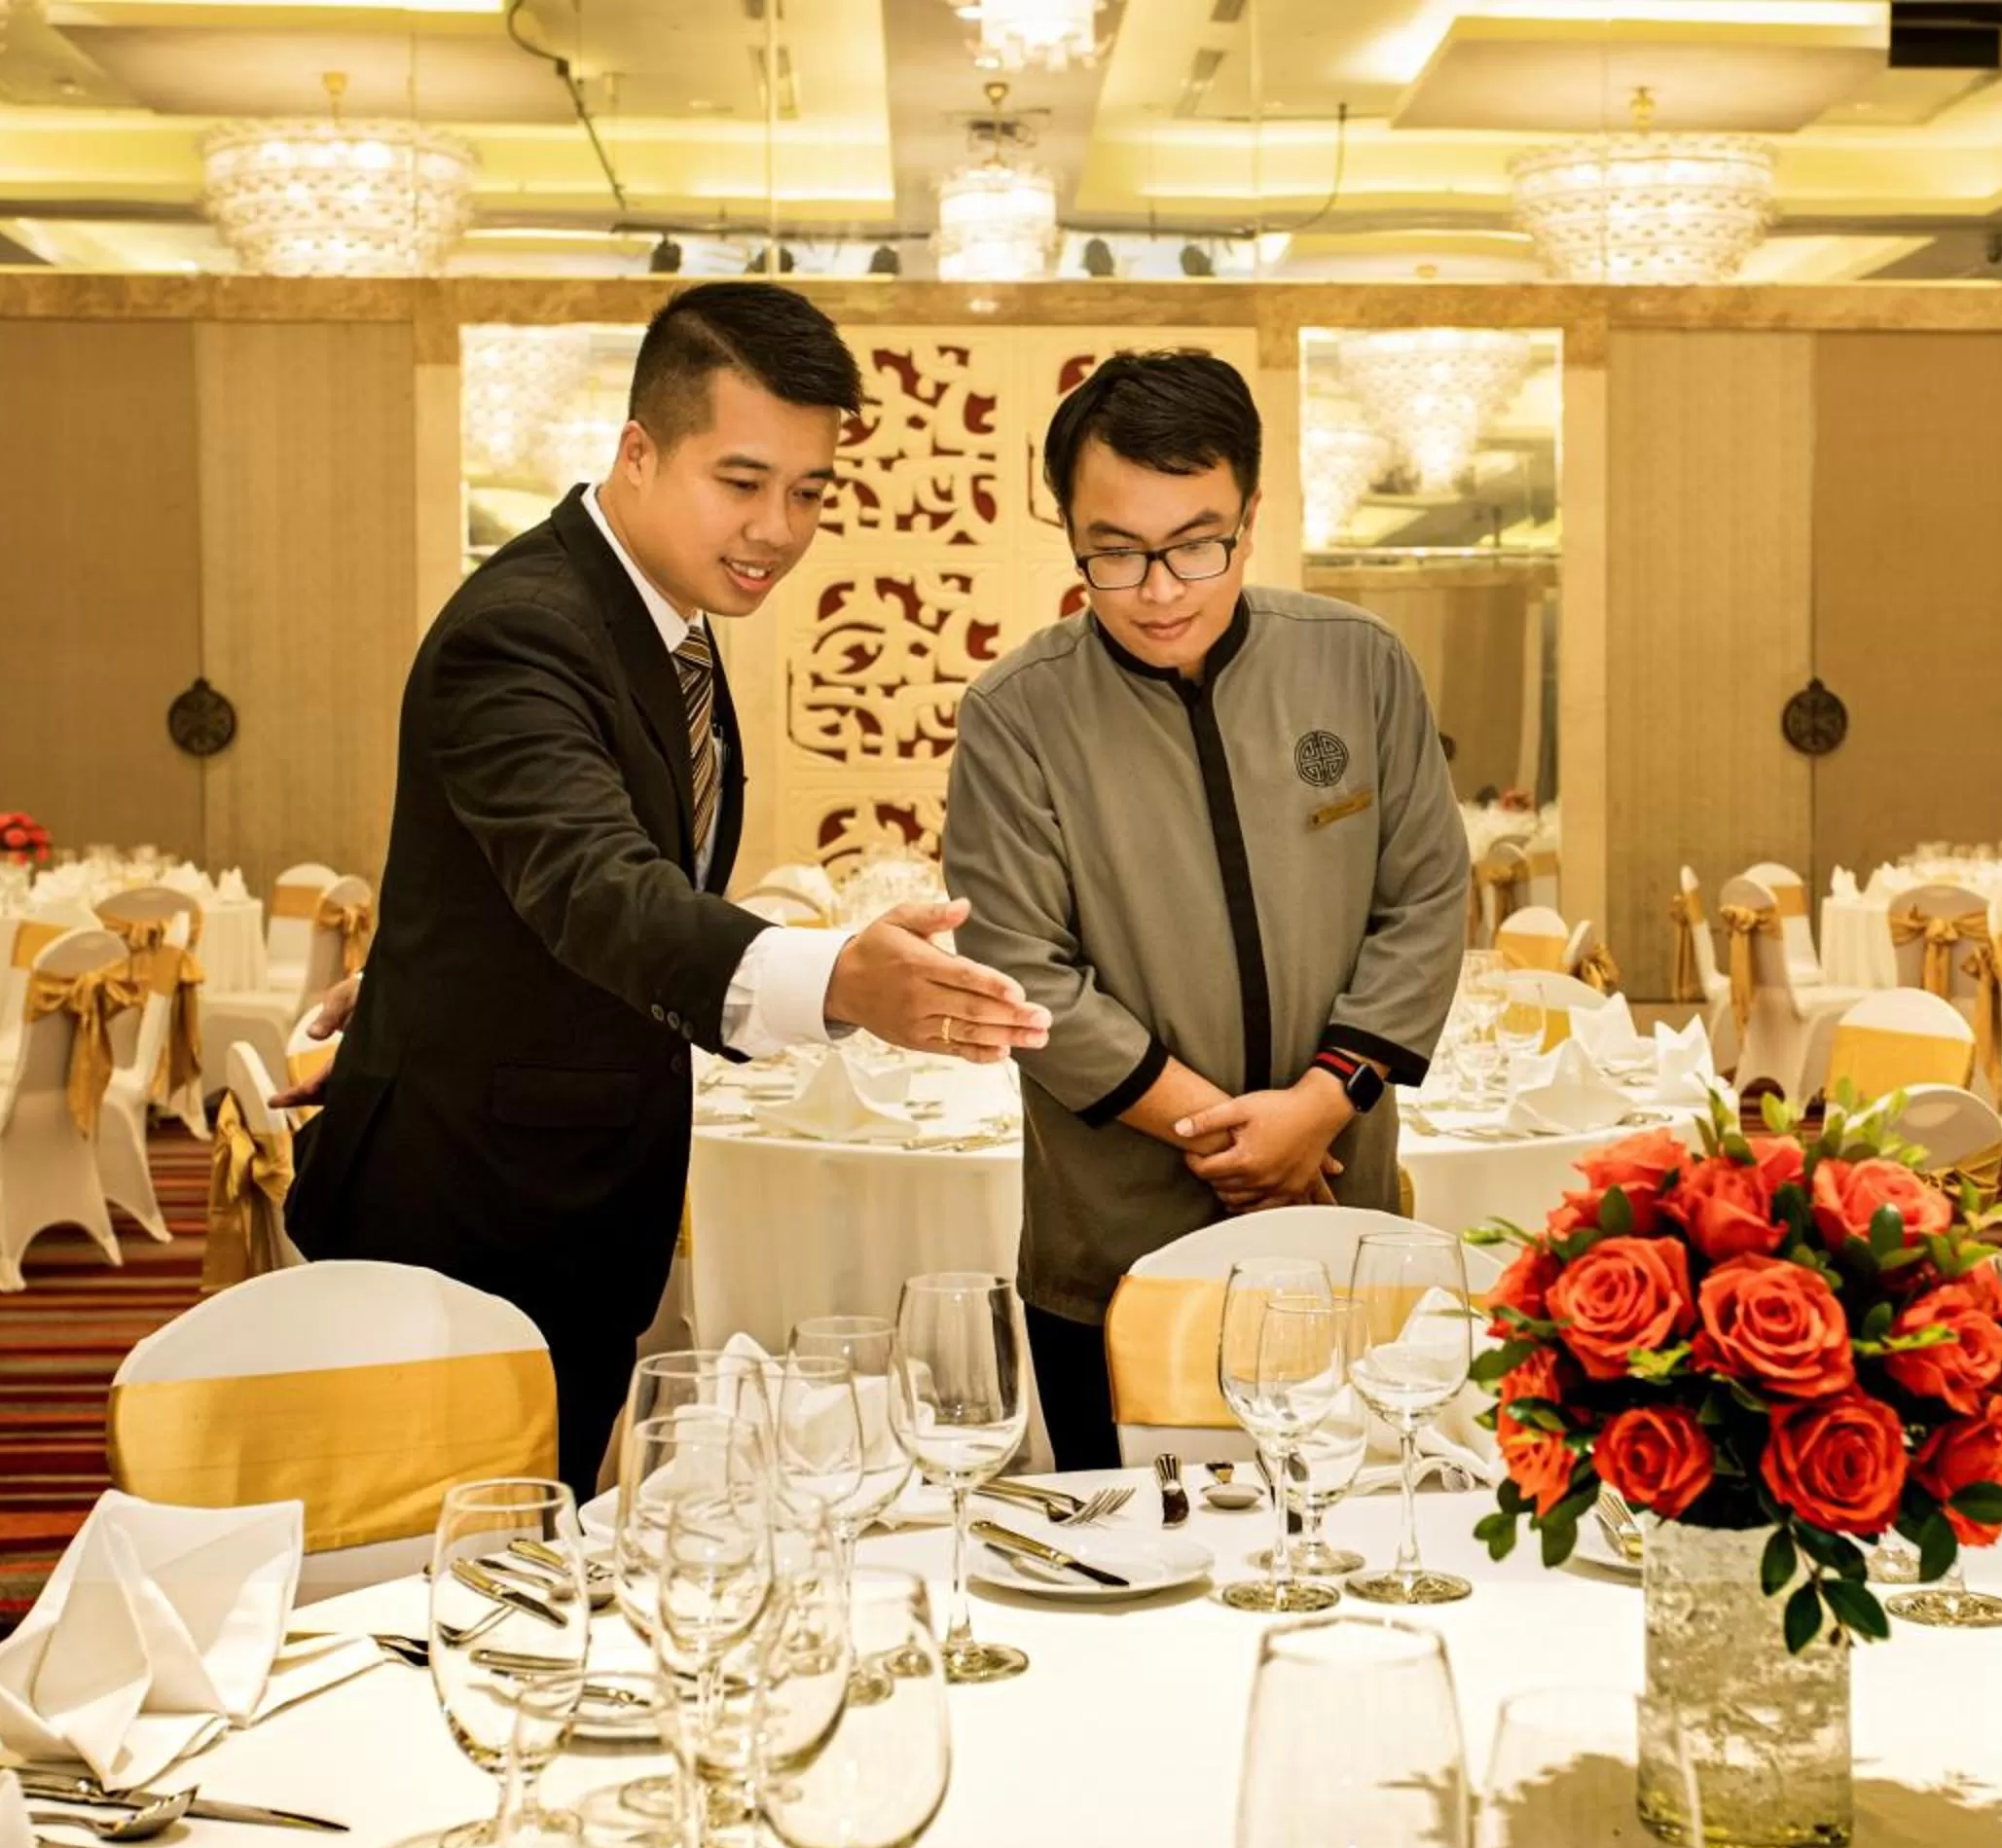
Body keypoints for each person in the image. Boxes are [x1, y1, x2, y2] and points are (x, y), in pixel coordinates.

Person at [284, 282, 1050, 1489]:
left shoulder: (661, 619)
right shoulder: (523, 630)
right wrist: (838, 981)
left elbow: (528, 873)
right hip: (470, 1206)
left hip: (567, 1183)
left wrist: (428, 968)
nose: (777, 530)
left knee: (546, 1540)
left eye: (809, 493)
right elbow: (598, 884)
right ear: (638, 451)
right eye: (741, 483)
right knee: (467, 1556)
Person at [944, 350, 1470, 1469]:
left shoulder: (1360, 665)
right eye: (1116, 553)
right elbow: (1022, 969)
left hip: (1342, 1224)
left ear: (1252, 516)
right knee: (1122, 1549)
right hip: (1117, 1248)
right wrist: (1242, 1146)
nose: (1161, 590)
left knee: (1357, 1536)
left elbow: (1424, 899)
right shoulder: (1016, 714)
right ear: (1069, 531)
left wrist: (1320, 1108)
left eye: (1197, 544)